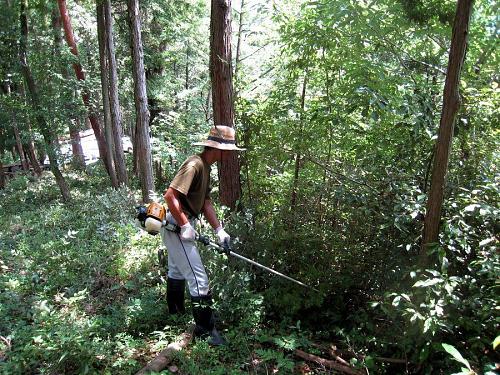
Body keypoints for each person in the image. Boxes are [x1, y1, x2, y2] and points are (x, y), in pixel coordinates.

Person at [161, 125, 245, 346]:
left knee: (177, 270)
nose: (230, 155)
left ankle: (175, 315)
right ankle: (206, 333)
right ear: (218, 148)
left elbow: (205, 201)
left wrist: (219, 229)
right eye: (228, 150)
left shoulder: (206, 167)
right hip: (177, 224)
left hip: (181, 222)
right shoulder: (194, 165)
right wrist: (185, 224)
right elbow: (170, 195)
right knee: (199, 280)